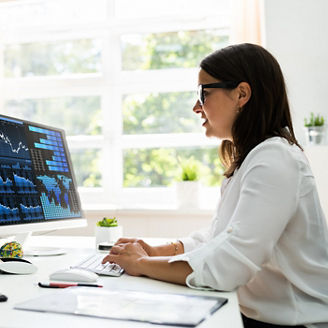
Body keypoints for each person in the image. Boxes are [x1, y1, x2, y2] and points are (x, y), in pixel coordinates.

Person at [103, 43, 328, 328]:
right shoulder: (254, 158)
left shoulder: (275, 159)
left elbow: (230, 264)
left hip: (298, 322)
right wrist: (155, 250)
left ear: (241, 94)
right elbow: (217, 238)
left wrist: (141, 265)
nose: (197, 107)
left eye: (204, 93)